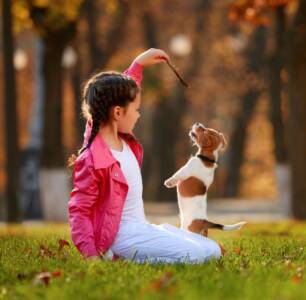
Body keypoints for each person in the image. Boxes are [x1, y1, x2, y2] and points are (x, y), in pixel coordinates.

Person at [68, 48, 221, 263]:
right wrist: (91, 255)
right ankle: (117, 258)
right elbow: (80, 210)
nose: (139, 114)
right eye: (136, 109)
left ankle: (145, 246)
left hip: (141, 228)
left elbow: (116, 95)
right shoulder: (93, 157)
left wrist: (138, 64)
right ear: (118, 113)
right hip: (121, 238)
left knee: (212, 250)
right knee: (195, 256)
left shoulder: (123, 138)